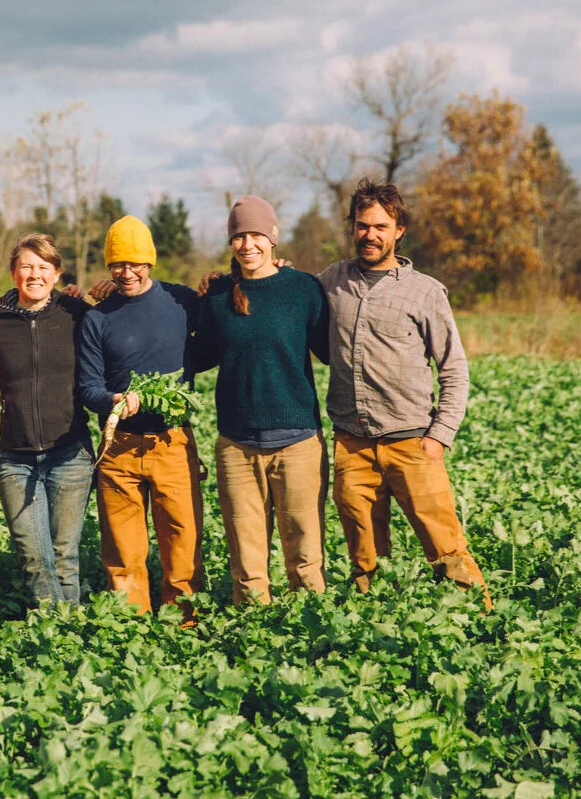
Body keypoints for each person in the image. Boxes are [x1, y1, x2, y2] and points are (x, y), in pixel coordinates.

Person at [322, 178, 490, 604]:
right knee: (365, 559)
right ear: (352, 227)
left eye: (380, 226)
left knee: (446, 547)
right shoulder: (331, 282)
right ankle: (378, 628)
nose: (370, 235)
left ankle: (481, 619)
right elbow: (285, 295)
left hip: (412, 443)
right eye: (362, 225)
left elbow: (454, 368)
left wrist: (439, 437)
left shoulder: (426, 292)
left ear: (399, 230)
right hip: (352, 446)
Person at [195, 196, 331, 603]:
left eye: (255, 234)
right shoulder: (218, 295)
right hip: (237, 446)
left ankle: (310, 633)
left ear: (273, 237)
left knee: (306, 556)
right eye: (238, 236)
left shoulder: (303, 289)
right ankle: (253, 638)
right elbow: (197, 355)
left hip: (299, 444)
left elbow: (332, 351)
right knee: (247, 562)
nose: (247, 244)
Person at [77, 215, 203, 621]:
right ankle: (130, 627)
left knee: (182, 541)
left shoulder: (181, 302)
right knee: (123, 550)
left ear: (150, 262)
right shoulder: (98, 317)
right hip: (119, 449)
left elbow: (219, 334)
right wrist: (114, 400)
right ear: (108, 266)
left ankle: (183, 620)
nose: (126, 273)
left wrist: (222, 281)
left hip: (173, 442)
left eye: (135, 263)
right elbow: (88, 387)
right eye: (118, 264)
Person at [0, 233, 94, 608]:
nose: (34, 274)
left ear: (57, 274)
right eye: (26, 266)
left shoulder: (78, 316)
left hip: (69, 453)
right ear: (13, 272)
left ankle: (65, 635)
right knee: (32, 555)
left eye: (43, 267)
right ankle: (58, 628)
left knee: (64, 555)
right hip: (16, 457)